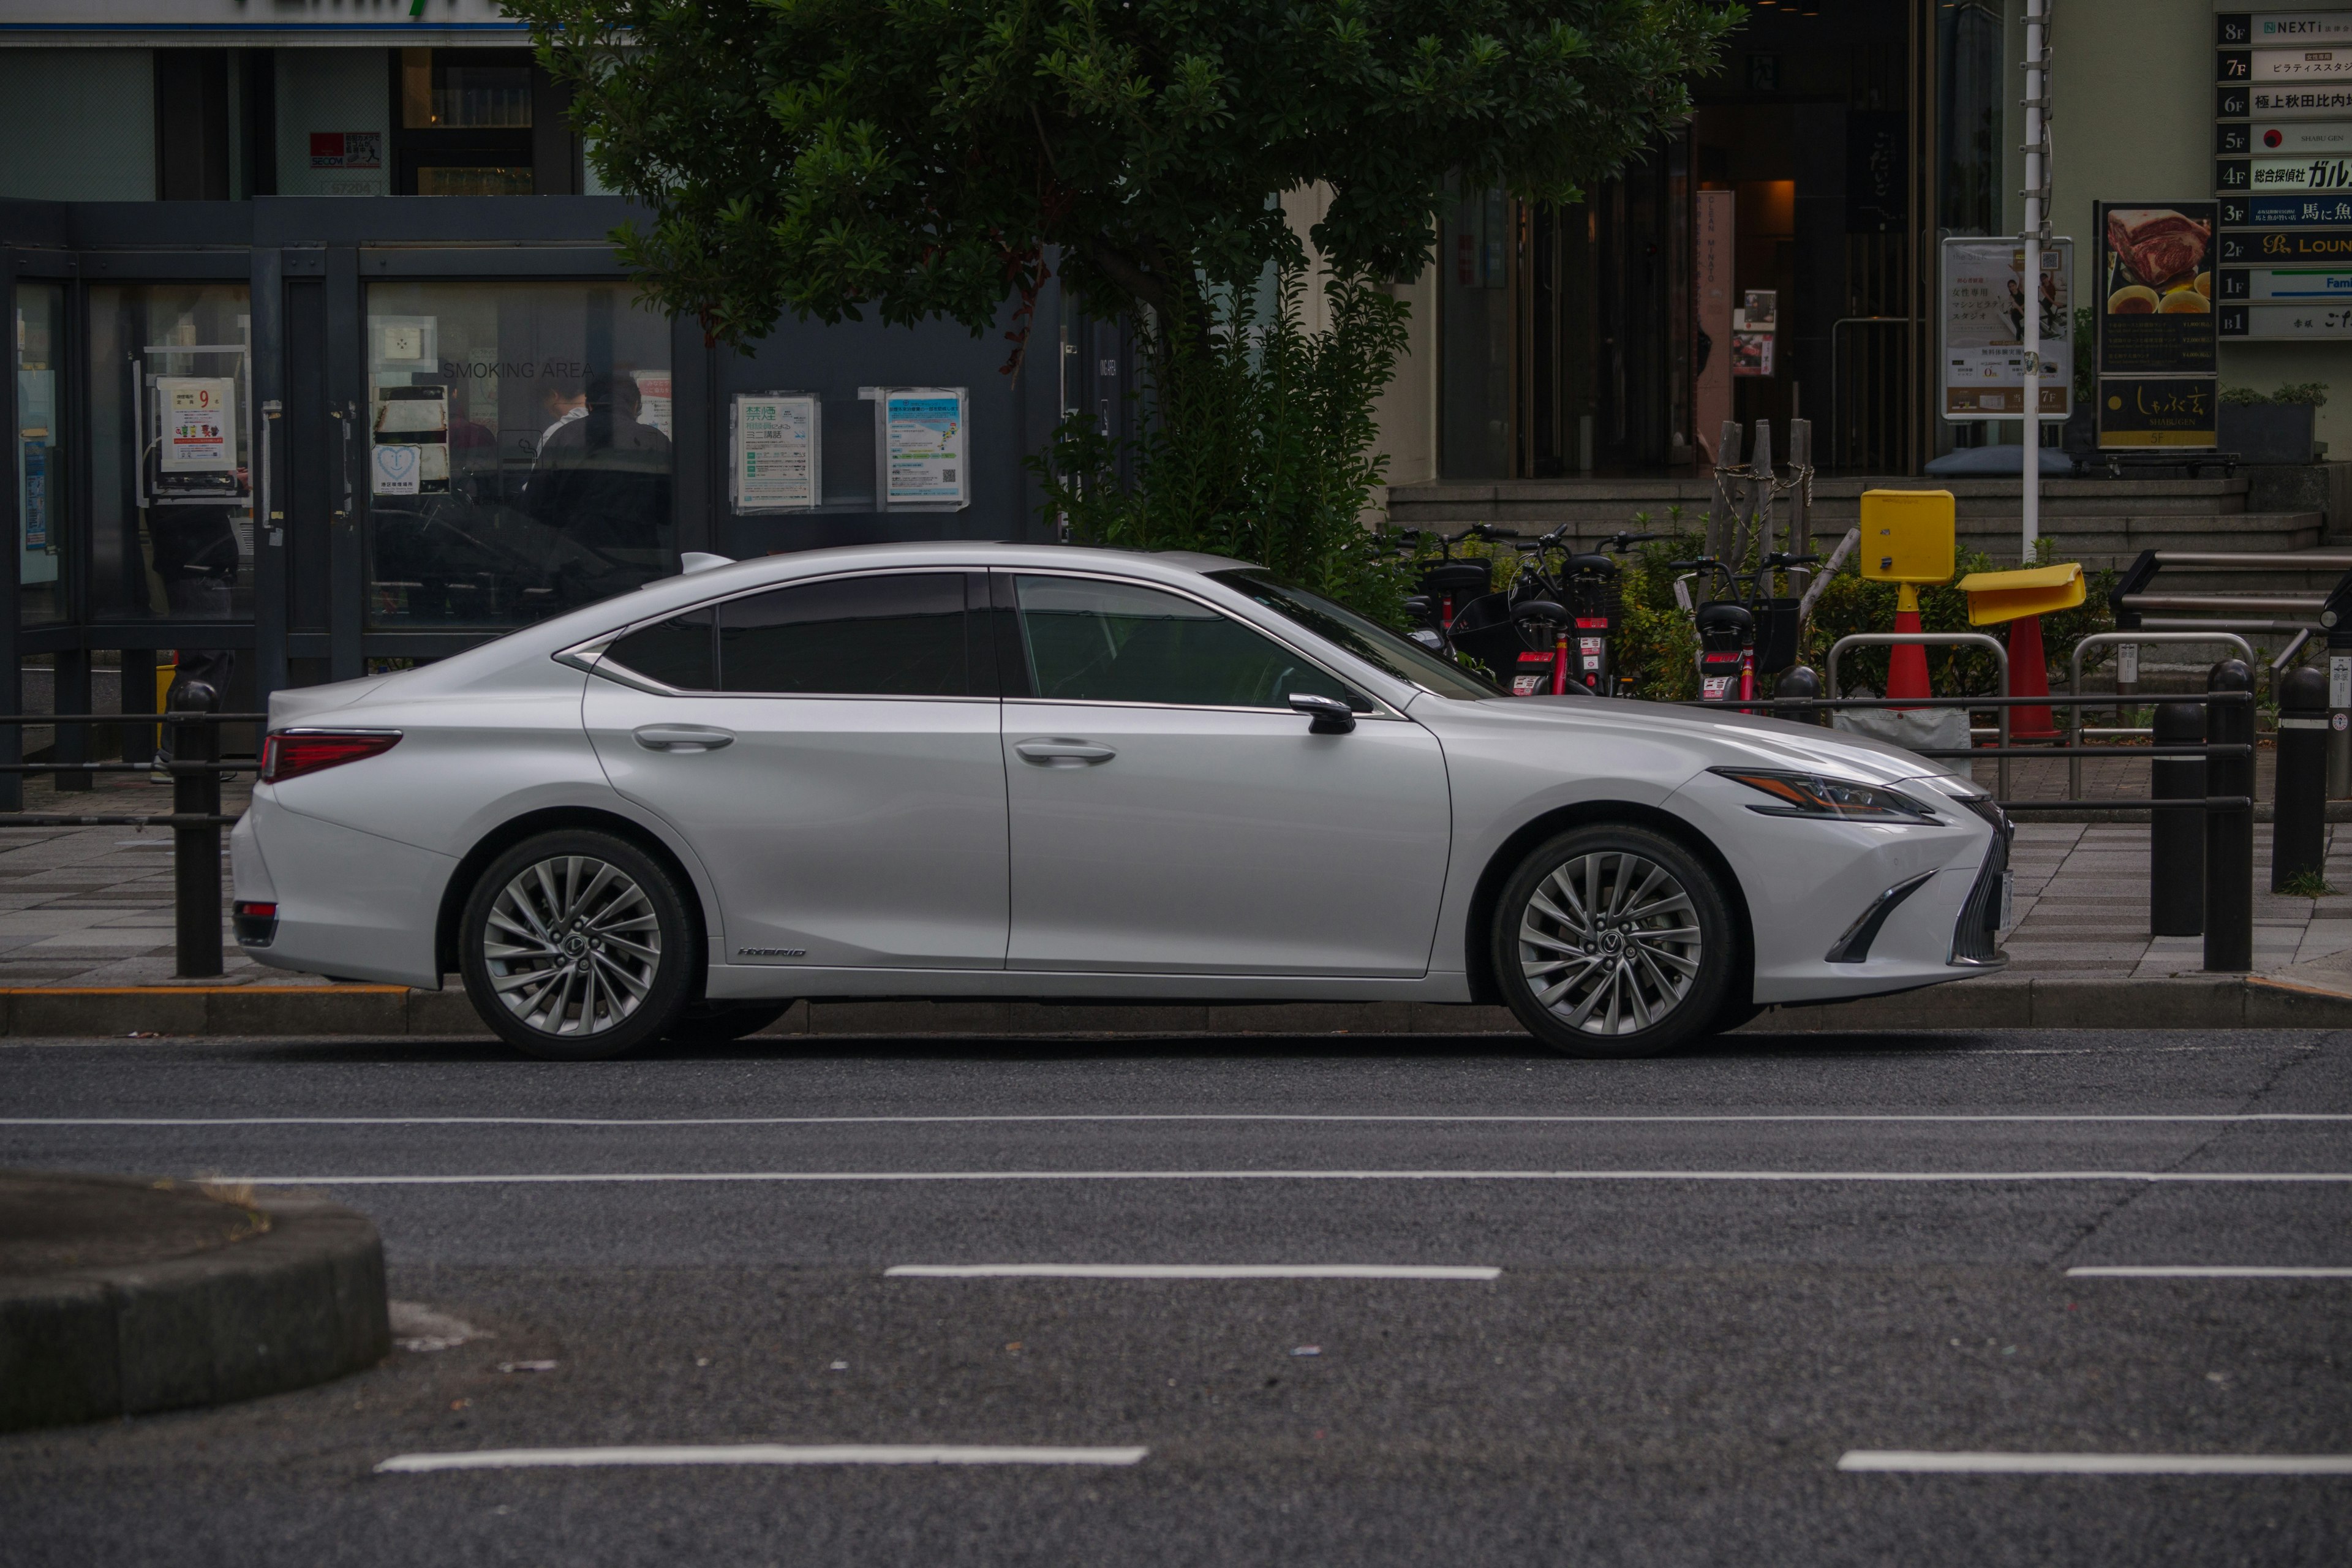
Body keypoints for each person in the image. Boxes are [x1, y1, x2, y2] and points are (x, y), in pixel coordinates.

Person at [527, 372, 673, 586]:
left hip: (575, 565)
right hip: (638, 565)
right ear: (635, 406)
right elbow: (669, 511)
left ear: (590, 405)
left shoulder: (563, 437)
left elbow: (536, 506)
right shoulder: (655, 441)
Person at [147, 501, 241, 781]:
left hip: (205, 568)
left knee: (218, 658)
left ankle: (194, 752)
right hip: (196, 570)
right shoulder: (172, 468)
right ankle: (177, 755)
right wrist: (229, 486)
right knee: (204, 658)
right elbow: (179, 514)